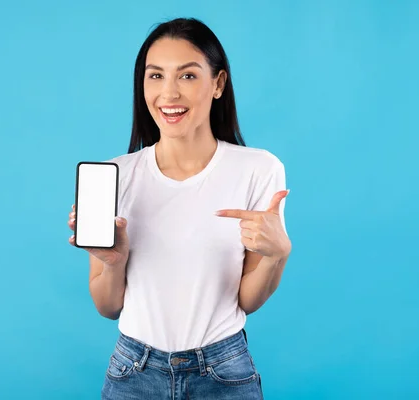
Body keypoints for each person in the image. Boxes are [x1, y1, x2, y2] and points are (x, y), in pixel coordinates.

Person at [67, 17, 291, 400]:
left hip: (223, 371)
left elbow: (247, 301)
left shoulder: (259, 169)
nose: (168, 93)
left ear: (218, 83)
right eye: (155, 76)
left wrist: (277, 255)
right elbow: (107, 307)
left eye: (187, 76)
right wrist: (113, 261)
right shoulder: (115, 174)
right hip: (133, 372)